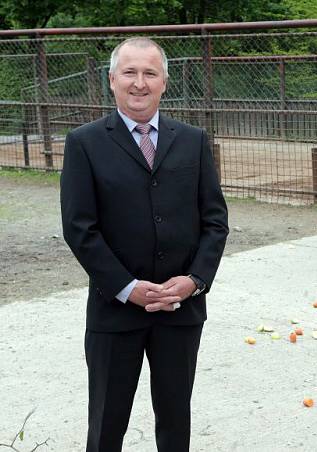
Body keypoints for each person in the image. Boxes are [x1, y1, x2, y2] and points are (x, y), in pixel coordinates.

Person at [60, 37, 228, 451]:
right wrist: (126, 287)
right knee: (106, 423)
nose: (140, 83)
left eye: (150, 73)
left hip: (180, 309)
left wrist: (195, 280)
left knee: (175, 421)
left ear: (164, 82)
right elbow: (80, 228)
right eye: (130, 73)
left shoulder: (192, 140)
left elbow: (215, 221)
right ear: (112, 80)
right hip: (114, 311)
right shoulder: (85, 143)